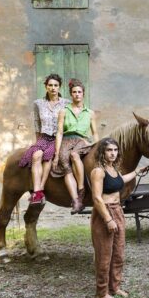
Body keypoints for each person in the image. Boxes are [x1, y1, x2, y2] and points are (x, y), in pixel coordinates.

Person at [90, 137, 148, 298]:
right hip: (104, 214)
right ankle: (102, 293)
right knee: (104, 254)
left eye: (115, 150)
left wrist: (138, 172)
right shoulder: (98, 171)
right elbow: (96, 198)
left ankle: (114, 287)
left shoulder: (114, 169)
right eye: (109, 150)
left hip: (118, 211)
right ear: (102, 152)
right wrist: (108, 220)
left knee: (118, 253)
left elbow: (120, 181)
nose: (113, 153)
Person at [18, 74, 70, 204]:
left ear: (59, 87)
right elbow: (37, 123)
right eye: (50, 85)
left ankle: (39, 190)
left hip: (59, 138)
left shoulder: (66, 104)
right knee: (36, 155)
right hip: (44, 137)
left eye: (55, 85)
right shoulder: (38, 103)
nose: (53, 88)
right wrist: (38, 141)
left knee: (47, 157)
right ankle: (37, 191)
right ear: (46, 87)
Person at [52, 79, 98, 214]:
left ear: (83, 94)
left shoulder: (90, 113)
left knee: (74, 154)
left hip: (82, 140)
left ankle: (81, 189)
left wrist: (95, 145)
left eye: (79, 92)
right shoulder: (63, 111)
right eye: (74, 92)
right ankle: (76, 201)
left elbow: (95, 133)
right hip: (66, 140)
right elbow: (59, 132)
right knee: (64, 163)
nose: (77, 94)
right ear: (71, 94)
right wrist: (56, 154)